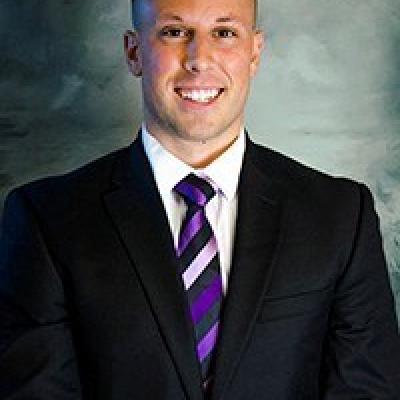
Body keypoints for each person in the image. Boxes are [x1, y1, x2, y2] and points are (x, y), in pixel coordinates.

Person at [1, 0, 399, 398]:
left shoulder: (340, 216)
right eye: (174, 32)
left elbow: (366, 390)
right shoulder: (45, 220)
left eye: (224, 33)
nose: (199, 59)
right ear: (134, 52)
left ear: (254, 52)